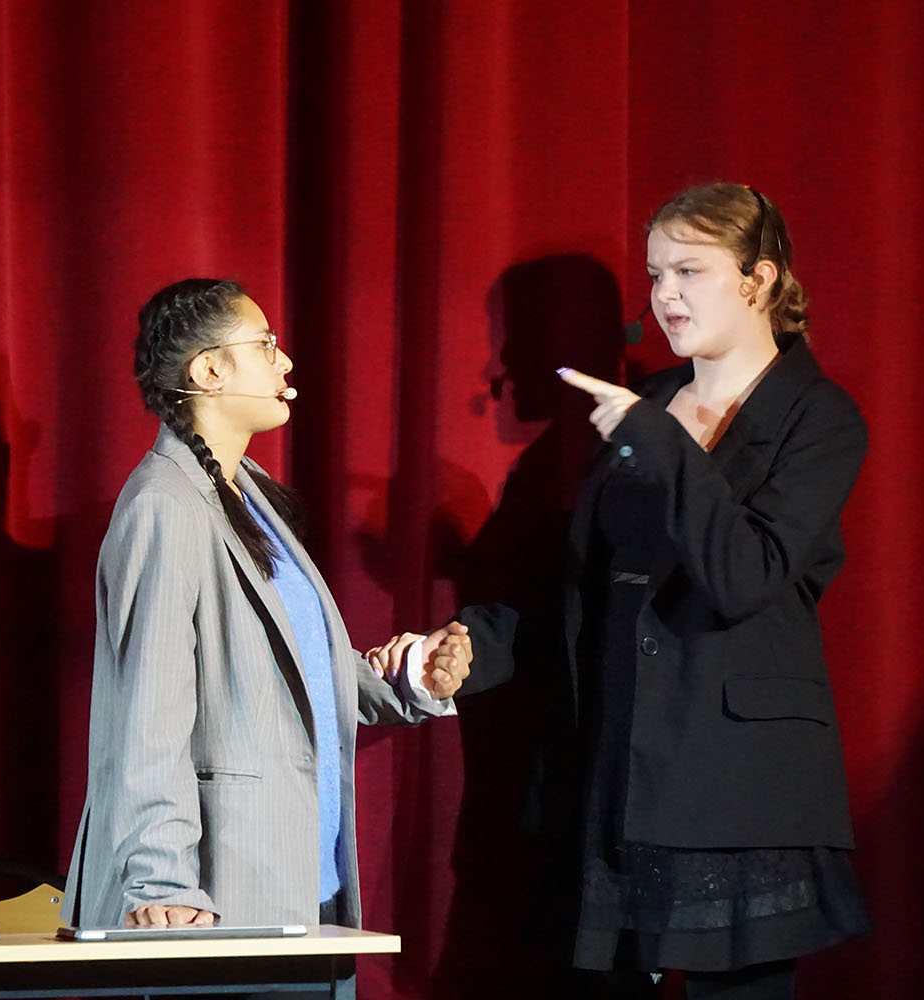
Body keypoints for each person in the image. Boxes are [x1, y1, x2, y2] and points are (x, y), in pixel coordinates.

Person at [449, 184, 870, 998]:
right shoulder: (645, 408)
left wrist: (665, 445)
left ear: (758, 279)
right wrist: (475, 644)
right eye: (654, 274)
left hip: (736, 787)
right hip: (619, 769)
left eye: (689, 270)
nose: (665, 295)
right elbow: (587, 589)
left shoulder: (817, 417)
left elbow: (744, 575)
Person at [62, 278, 471, 936]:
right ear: (209, 371)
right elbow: (150, 714)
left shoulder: (249, 491)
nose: (284, 361)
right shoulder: (164, 505)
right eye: (265, 344)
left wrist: (410, 679)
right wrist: (161, 879)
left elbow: (293, 673)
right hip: (212, 896)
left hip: (297, 882)